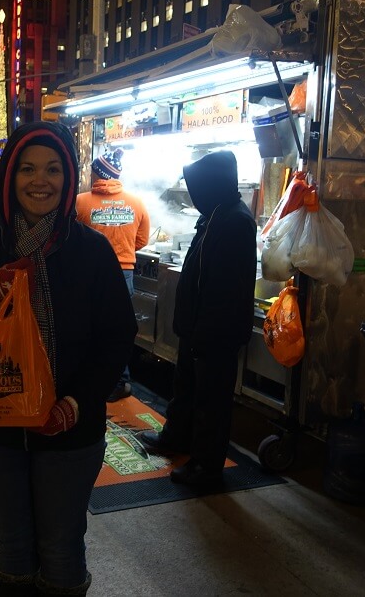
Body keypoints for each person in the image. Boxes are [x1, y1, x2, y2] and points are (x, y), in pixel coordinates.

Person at [0, 121, 136, 596]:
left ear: (68, 179)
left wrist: (78, 402)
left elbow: (117, 336)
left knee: (62, 548)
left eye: (52, 169)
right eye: (27, 169)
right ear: (9, 176)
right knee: (15, 547)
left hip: (70, 429)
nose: (39, 180)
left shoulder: (91, 250)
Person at [137, 151, 256, 487]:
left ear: (214, 185)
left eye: (198, 187)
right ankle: (176, 438)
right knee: (187, 388)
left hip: (216, 332)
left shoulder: (235, 221)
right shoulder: (216, 214)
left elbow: (226, 290)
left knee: (211, 401)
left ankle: (206, 467)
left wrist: (204, 330)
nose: (194, 194)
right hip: (199, 328)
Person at [76, 147, 150, 402]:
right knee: (118, 328)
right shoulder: (137, 202)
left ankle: (91, 377)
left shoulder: (80, 202)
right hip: (124, 273)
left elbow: (71, 238)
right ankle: (121, 381)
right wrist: (124, 248)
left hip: (89, 273)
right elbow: (142, 239)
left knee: (89, 326)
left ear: (97, 173)